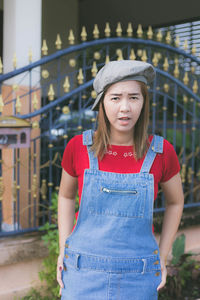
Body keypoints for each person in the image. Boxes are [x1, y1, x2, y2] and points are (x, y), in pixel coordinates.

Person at [57, 60, 184, 300]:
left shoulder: (161, 152)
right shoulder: (79, 148)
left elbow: (176, 203)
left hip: (140, 276)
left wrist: (163, 256)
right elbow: (65, 196)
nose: (124, 107)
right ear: (102, 103)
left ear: (144, 102)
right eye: (115, 98)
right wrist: (63, 249)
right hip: (82, 273)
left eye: (134, 97)